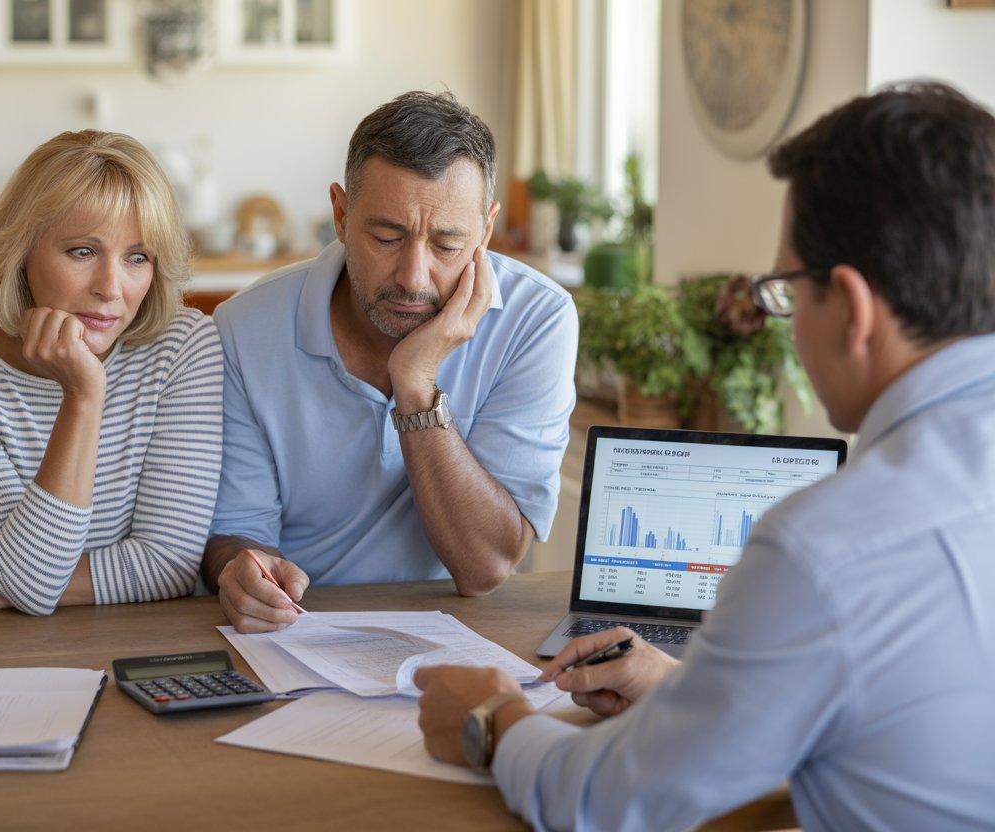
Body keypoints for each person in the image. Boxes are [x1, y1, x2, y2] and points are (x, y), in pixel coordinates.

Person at [415, 81, 995, 831]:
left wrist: (491, 718)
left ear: (850, 309)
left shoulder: (829, 548)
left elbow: (605, 803)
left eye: (785, 291)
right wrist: (697, 690)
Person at [202, 91, 579, 632]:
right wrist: (242, 570)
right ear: (340, 213)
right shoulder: (245, 328)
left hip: (456, 631)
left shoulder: (536, 319)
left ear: (486, 230)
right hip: (294, 629)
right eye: (386, 237)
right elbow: (237, 530)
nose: (413, 277)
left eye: (448, 244)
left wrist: (416, 382)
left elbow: (486, 568)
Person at [0, 130, 223, 616]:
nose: (111, 288)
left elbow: (168, 563)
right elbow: (31, 582)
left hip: (126, 638)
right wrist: (84, 396)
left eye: (138, 257)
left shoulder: (182, 347)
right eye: (82, 252)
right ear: (20, 251)